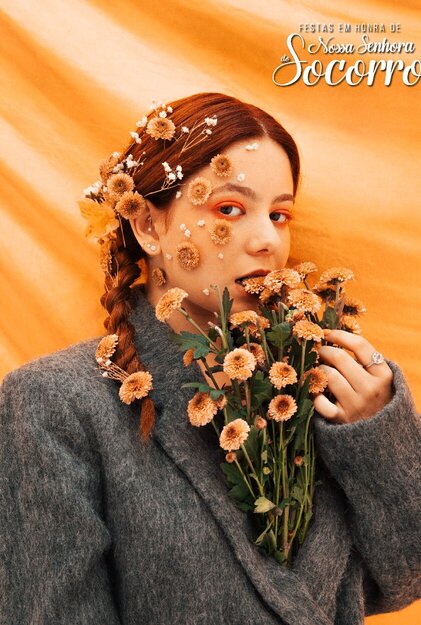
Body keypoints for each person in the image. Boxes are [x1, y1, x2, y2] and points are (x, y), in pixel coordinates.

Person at [1, 92, 420, 625]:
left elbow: (402, 579)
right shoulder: (54, 404)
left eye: (280, 214)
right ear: (147, 225)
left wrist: (376, 437)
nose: (267, 240)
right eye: (229, 209)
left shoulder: (311, 387)